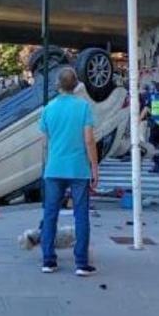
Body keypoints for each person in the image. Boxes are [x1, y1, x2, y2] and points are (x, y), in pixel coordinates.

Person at [38, 67, 99, 276]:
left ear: (58, 84)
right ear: (76, 85)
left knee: (50, 214)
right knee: (81, 215)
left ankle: (48, 260)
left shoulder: (48, 109)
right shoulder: (83, 107)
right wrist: (94, 167)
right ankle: (81, 263)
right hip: (78, 169)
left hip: (54, 168)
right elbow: (89, 140)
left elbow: (45, 143)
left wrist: (47, 166)